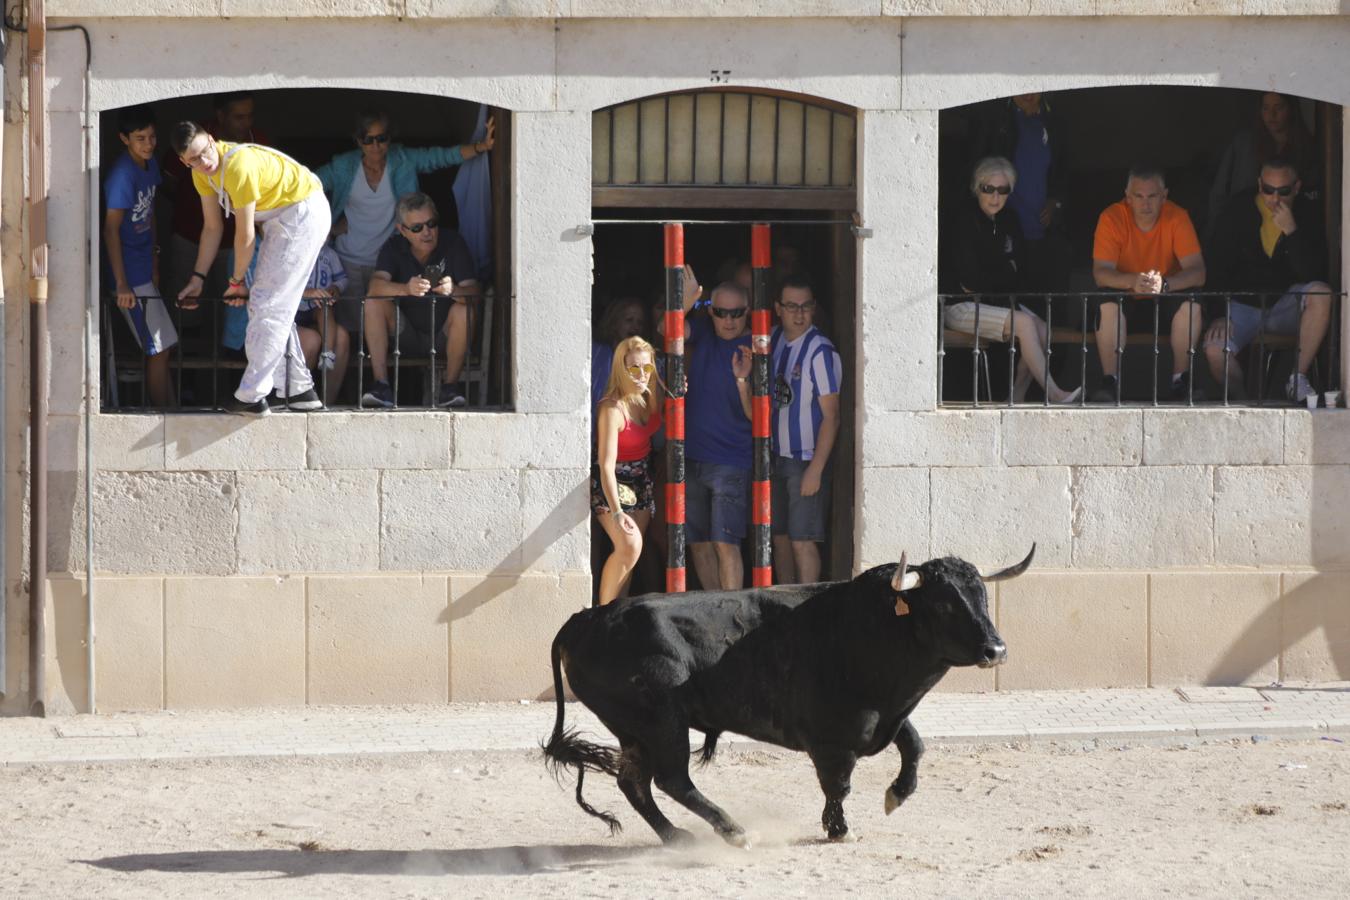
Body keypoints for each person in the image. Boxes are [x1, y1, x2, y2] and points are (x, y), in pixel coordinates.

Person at [173, 122, 330, 415]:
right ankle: (299, 389)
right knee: (265, 304)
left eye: (205, 151)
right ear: (184, 162)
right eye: (193, 159)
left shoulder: (237, 165)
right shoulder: (201, 176)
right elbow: (212, 227)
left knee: (267, 303)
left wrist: (236, 281)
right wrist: (199, 277)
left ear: (212, 139)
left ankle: (252, 394)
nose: (203, 161)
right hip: (280, 219)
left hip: (304, 212)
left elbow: (244, 235)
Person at [315, 110, 494, 336]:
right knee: (352, 332)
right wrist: (328, 227)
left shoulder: (402, 160)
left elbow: (440, 157)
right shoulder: (344, 166)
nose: (375, 146)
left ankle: (384, 372)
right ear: (358, 141)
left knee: (385, 328)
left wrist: (480, 147)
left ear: (390, 138)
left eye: (382, 138)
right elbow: (309, 184)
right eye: (368, 139)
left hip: (389, 260)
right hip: (348, 259)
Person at [947, 157, 1081, 404]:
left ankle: (1016, 396)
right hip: (960, 306)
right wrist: (1004, 268)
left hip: (998, 303)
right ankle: (1054, 392)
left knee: (1042, 329)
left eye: (1003, 190)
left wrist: (996, 272)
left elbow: (1020, 272)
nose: (995, 197)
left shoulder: (1010, 219)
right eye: (989, 189)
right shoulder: (964, 219)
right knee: (1026, 324)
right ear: (978, 188)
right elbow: (969, 280)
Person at [1203, 158, 1331, 402]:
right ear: (1259, 184)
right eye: (1268, 190)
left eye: (1283, 191)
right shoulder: (1237, 209)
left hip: (1285, 305)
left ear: (1296, 187)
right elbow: (1216, 265)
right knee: (1214, 350)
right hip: (1242, 305)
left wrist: (1292, 232)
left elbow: (1315, 272)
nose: (1275, 198)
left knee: (1322, 294)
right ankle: (1244, 402)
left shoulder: (1307, 211)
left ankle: (1297, 378)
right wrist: (1219, 313)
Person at [1090, 165, 1208, 402]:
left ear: (1164, 196)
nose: (1145, 204)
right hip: (1126, 297)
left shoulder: (1177, 216)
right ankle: (1110, 382)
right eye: (1138, 196)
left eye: (1152, 196)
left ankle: (1180, 381)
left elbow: (1198, 272)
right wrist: (1132, 281)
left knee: (1191, 303)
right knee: (1107, 303)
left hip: (1166, 299)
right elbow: (1100, 273)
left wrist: (1165, 285)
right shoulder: (1111, 217)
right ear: (1127, 197)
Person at [361, 192, 481, 409]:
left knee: (465, 309)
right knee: (373, 302)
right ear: (402, 231)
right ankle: (381, 387)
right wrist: (406, 288)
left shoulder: (452, 242)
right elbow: (374, 287)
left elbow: (475, 292)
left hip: (446, 336)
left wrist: (453, 290)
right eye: (417, 228)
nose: (426, 232)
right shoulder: (393, 247)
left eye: (431, 224)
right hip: (405, 336)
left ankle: (450, 388)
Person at [161, 92, 267, 310]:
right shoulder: (192, 144)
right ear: (221, 116)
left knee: (232, 307)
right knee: (187, 307)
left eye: (250, 116)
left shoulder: (249, 152)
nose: (246, 123)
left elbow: (246, 231)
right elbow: (167, 184)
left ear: (211, 141)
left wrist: (237, 281)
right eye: (239, 117)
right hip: (190, 235)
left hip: (239, 242)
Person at [682, 274, 753, 591]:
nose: (729, 320)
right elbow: (665, 332)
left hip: (731, 461)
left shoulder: (756, 347)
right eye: (721, 312)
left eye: (736, 313)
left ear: (747, 311)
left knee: (726, 543)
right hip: (692, 456)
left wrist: (742, 380)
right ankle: (713, 613)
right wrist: (685, 303)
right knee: (697, 543)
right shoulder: (702, 334)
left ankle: (732, 617)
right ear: (710, 312)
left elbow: (758, 416)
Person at [103, 104, 177, 407]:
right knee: (158, 348)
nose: (148, 144)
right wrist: (121, 283)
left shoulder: (150, 166)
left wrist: (156, 256)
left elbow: (152, 213)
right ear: (124, 139)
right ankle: (165, 416)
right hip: (130, 275)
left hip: (145, 268)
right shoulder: (122, 176)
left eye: (151, 137)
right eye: (140, 138)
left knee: (164, 346)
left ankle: (171, 410)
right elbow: (111, 230)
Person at [769, 278, 842, 585]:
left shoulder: (820, 351)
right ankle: (785, 606)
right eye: (791, 306)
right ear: (778, 309)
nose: (799, 314)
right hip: (775, 457)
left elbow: (832, 417)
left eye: (806, 306)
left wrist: (816, 468)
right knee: (781, 538)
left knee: (803, 540)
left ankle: (809, 607)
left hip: (805, 460)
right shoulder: (772, 339)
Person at [969, 93, 1070, 291]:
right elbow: (979, 168)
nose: (1028, 94)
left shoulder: (1053, 120)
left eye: (1034, 87)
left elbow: (1063, 170)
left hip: (1042, 230)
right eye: (1023, 87)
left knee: (1046, 300)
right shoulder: (996, 118)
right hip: (1005, 231)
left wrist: (1055, 201)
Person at [592, 335, 664, 605]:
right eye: (633, 368)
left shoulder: (651, 394)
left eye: (646, 368)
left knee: (630, 554)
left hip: (641, 477)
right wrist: (618, 510)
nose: (641, 375)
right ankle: (601, 616)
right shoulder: (612, 407)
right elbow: (606, 465)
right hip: (612, 480)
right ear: (621, 369)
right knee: (629, 545)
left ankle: (617, 612)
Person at [1206, 91, 1320, 243]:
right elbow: (1219, 193)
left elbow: (1313, 196)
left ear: (1291, 109)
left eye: (1278, 107)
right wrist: (1217, 232)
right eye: (1265, 108)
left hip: (1288, 231)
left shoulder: (1305, 147)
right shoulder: (1244, 144)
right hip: (1243, 229)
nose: (1271, 114)